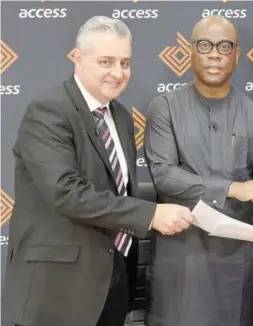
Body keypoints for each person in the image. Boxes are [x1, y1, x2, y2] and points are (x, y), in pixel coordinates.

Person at [1, 16, 194, 326]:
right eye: (106, 61)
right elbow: (66, 193)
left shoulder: (120, 116)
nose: (117, 73)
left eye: (125, 63)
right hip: (56, 291)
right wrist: (151, 214)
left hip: (111, 285)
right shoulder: (49, 111)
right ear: (77, 58)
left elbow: (116, 190)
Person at [143, 16, 253, 326]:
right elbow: (165, 177)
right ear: (191, 51)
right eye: (205, 45)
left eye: (225, 46)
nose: (214, 54)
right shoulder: (164, 107)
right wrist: (235, 188)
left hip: (236, 262)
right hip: (181, 258)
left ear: (237, 55)